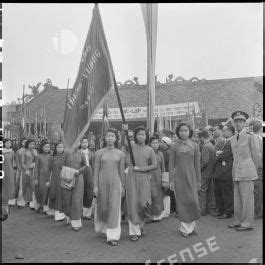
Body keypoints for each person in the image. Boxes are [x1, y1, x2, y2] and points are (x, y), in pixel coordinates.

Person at [123, 125, 157, 242]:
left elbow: (155, 165)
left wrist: (142, 169)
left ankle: (140, 225)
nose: (140, 136)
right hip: (131, 177)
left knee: (143, 203)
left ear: (146, 136)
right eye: (138, 134)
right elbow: (125, 141)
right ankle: (134, 231)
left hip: (144, 178)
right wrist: (125, 130)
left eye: (143, 134)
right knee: (133, 204)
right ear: (135, 136)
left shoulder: (150, 149)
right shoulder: (131, 146)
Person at [228, 111, 260, 231]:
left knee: (247, 199)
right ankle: (238, 220)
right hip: (236, 171)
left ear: (244, 123)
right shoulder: (232, 138)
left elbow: (256, 156)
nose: (238, 124)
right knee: (237, 198)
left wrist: (253, 171)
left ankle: (247, 223)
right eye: (236, 121)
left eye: (240, 121)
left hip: (247, 172)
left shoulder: (250, 136)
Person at [93, 128, 125, 246]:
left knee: (114, 208)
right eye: (108, 136)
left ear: (116, 138)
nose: (110, 138)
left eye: (112, 136)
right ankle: (103, 229)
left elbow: (121, 172)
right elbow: (95, 170)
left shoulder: (120, 153)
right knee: (103, 206)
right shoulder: (98, 153)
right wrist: (95, 186)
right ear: (104, 138)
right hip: (101, 183)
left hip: (116, 183)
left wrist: (123, 186)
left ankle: (113, 235)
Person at [169, 123, 201, 237]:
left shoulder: (195, 146)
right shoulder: (174, 146)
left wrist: (198, 181)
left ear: (189, 132)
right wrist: (171, 181)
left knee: (193, 201)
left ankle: (192, 226)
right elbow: (171, 165)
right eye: (181, 131)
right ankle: (185, 228)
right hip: (179, 177)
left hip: (191, 177)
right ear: (178, 132)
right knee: (182, 202)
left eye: (185, 130)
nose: (183, 132)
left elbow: (197, 165)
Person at [61, 145, 87, 231]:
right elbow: (61, 165)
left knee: (77, 199)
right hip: (67, 178)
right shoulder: (66, 152)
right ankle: (68, 217)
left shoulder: (82, 153)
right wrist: (70, 172)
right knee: (67, 198)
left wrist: (78, 171)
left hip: (78, 178)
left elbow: (85, 165)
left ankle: (76, 222)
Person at [213, 124, 235, 219]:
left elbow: (224, 156)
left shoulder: (232, 142)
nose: (223, 132)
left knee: (227, 193)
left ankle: (228, 211)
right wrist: (218, 154)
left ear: (231, 132)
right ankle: (220, 210)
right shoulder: (225, 141)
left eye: (225, 130)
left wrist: (218, 154)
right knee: (218, 192)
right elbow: (217, 154)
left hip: (226, 171)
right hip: (219, 172)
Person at [197, 130, 216, 216]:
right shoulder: (211, 145)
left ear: (202, 137)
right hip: (210, 172)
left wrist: (198, 169)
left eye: (199, 137)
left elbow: (204, 161)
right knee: (209, 191)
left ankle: (202, 209)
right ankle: (209, 208)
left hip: (204, 173)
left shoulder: (205, 146)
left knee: (202, 191)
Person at [46, 142, 66, 222]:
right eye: (58, 147)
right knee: (54, 194)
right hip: (54, 179)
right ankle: (54, 212)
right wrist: (47, 180)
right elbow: (48, 170)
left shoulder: (66, 157)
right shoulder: (52, 157)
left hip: (64, 178)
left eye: (62, 147)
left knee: (61, 196)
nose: (60, 149)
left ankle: (59, 214)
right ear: (55, 148)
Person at [147, 136, 165, 222]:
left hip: (158, 176)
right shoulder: (147, 153)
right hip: (149, 176)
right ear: (150, 144)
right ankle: (150, 215)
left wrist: (164, 178)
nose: (155, 145)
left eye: (157, 143)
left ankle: (158, 215)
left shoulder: (160, 153)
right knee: (151, 195)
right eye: (153, 143)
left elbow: (163, 167)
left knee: (158, 195)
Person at [249, 120, 263, 219]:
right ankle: (257, 212)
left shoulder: (256, 138)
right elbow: (257, 155)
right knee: (258, 191)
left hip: (257, 167)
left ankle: (258, 211)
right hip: (258, 168)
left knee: (257, 191)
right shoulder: (257, 138)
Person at [159, 136, 176, 218]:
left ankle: (167, 211)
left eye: (161, 142)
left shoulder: (166, 153)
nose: (160, 143)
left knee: (166, 192)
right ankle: (170, 209)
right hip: (167, 172)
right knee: (169, 192)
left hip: (166, 173)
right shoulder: (167, 151)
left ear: (165, 144)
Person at [34, 141, 51, 214]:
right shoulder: (38, 156)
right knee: (41, 191)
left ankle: (46, 208)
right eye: (45, 147)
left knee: (48, 192)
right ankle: (39, 205)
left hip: (49, 175)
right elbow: (36, 167)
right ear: (42, 147)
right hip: (41, 176)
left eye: (48, 147)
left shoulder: (51, 156)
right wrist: (36, 178)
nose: (47, 148)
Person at [80, 137, 94, 220]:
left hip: (89, 173)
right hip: (80, 172)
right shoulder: (78, 152)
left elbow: (93, 164)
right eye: (83, 142)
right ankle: (80, 211)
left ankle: (87, 214)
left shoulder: (91, 153)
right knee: (80, 191)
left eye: (86, 142)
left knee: (89, 192)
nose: (85, 144)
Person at [21, 139, 38, 210]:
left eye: (33, 144)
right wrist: (26, 170)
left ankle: (33, 204)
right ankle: (24, 200)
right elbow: (22, 162)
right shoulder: (24, 152)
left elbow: (37, 160)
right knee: (25, 187)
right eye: (31, 144)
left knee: (33, 187)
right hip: (27, 172)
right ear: (27, 144)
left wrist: (35, 164)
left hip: (34, 171)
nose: (32, 145)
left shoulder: (35, 151)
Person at [3, 139, 17, 206]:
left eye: (9, 143)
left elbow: (14, 162)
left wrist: (14, 169)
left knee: (11, 184)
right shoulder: (2, 152)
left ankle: (11, 200)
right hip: (3, 170)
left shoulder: (12, 152)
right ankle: (3, 199)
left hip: (10, 170)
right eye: (7, 143)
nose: (8, 144)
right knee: (4, 184)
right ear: (4, 144)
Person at [15, 138, 27, 208]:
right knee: (21, 186)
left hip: (29, 171)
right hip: (21, 171)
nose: (25, 143)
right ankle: (20, 202)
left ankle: (27, 201)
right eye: (23, 142)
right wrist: (20, 169)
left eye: (26, 142)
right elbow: (17, 161)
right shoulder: (18, 151)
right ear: (21, 143)